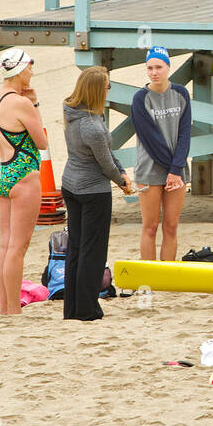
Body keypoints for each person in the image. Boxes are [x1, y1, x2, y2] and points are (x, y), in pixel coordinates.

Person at [61, 66, 133, 321]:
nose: (108, 90)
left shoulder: (72, 112)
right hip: (92, 191)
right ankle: (87, 309)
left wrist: (121, 173)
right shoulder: (92, 125)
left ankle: (72, 308)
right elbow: (105, 164)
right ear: (96, 90)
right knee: (93, 252)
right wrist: (122, 182)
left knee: (77, 249)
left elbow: (108, 155)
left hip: (71, 184)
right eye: (106, 86)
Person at [0, 49, 48, 315]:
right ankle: (14, 310)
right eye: (29, 68)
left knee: (6, 244)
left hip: (1, 171)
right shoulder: (20, 103)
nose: (32, 73)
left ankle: (5, 307)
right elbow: (42, 142)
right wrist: (34, 105)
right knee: (18, 247)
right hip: (22, 172)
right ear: (20, 70)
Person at [131, 46, 192, 260]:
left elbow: (185, 133)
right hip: (150, 169)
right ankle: (150, 277)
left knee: (171, 226)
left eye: (159, 67)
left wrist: (177, 170)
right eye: (150, 68)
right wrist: (173, 169)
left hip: (176, 168)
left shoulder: (181, 93)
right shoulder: (140, 98)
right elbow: (150, 139)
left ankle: (168, 274)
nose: (154, 72)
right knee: (150, 226)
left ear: (168, 67)